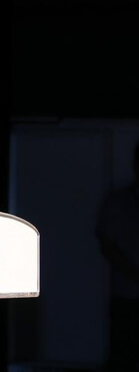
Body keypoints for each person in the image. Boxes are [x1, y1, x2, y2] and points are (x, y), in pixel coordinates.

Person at [96, 142, 139, 371]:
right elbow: (107, 245)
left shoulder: (118, 202)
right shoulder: (119, 203)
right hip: (127, 296)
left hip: (126, 293)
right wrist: (133, 273)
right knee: (123, 354)